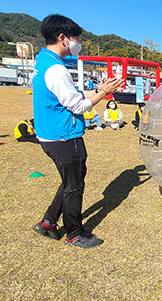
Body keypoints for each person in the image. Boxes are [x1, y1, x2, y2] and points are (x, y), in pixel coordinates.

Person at [31, 14, 123, 249]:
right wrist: (104, 93)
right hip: (64, 137)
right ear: (62, 38)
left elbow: (71, 98)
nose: (77, 42)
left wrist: (99, 89)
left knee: (69, 180)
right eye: (75, 38)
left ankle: (49, 222)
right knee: (74, 186)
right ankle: (74, 233)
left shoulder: (43, 61)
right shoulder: (57, 70)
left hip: (50, 135)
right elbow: (79, 106)